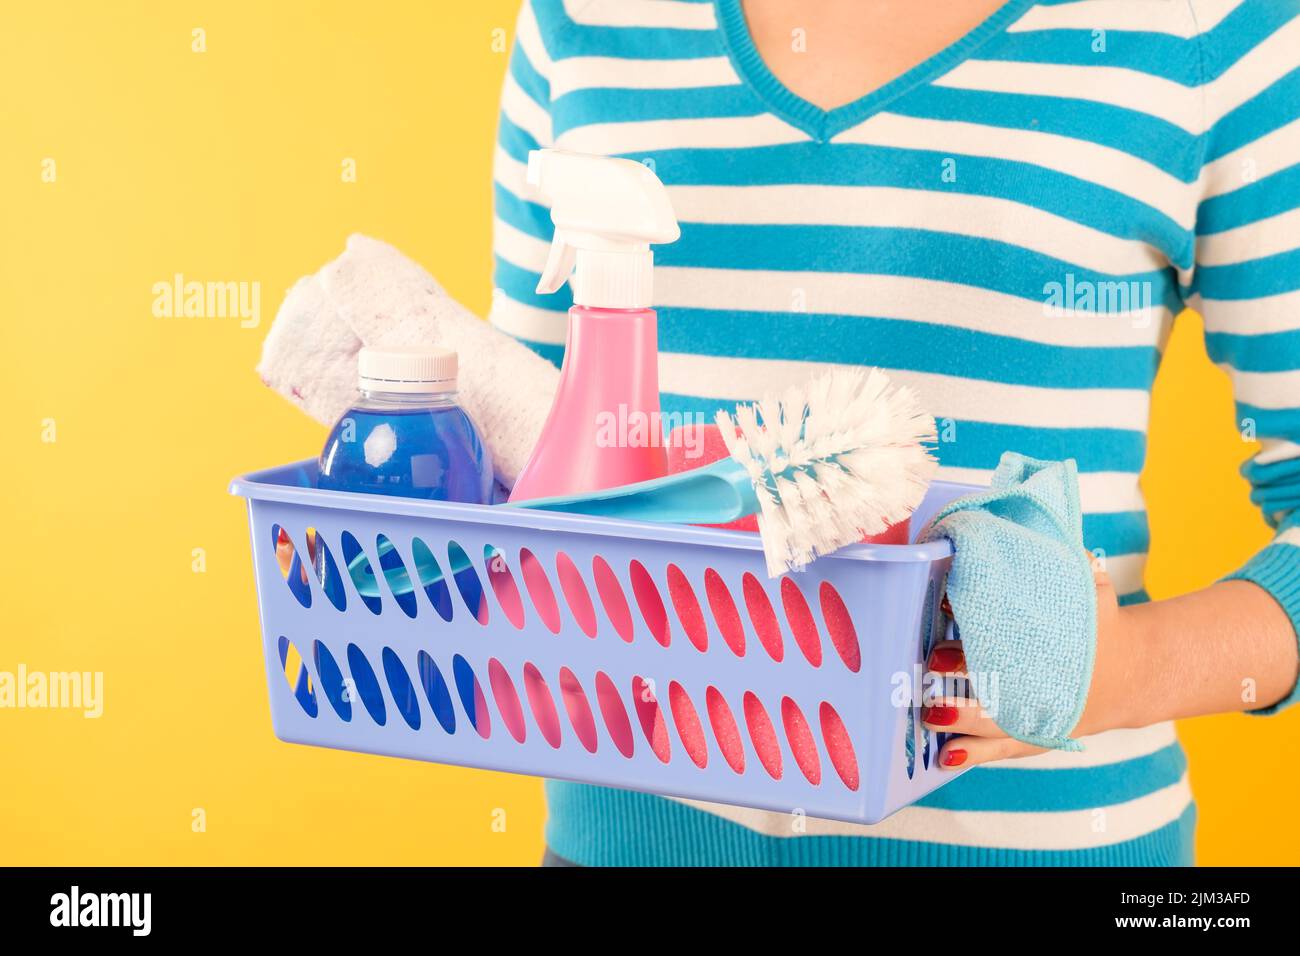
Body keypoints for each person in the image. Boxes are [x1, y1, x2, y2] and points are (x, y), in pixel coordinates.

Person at [488, 0, 1300, 866]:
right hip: (628, 837)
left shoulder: (1211, 30)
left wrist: (1127, 670)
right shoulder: (579, 20)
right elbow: (523, 443)